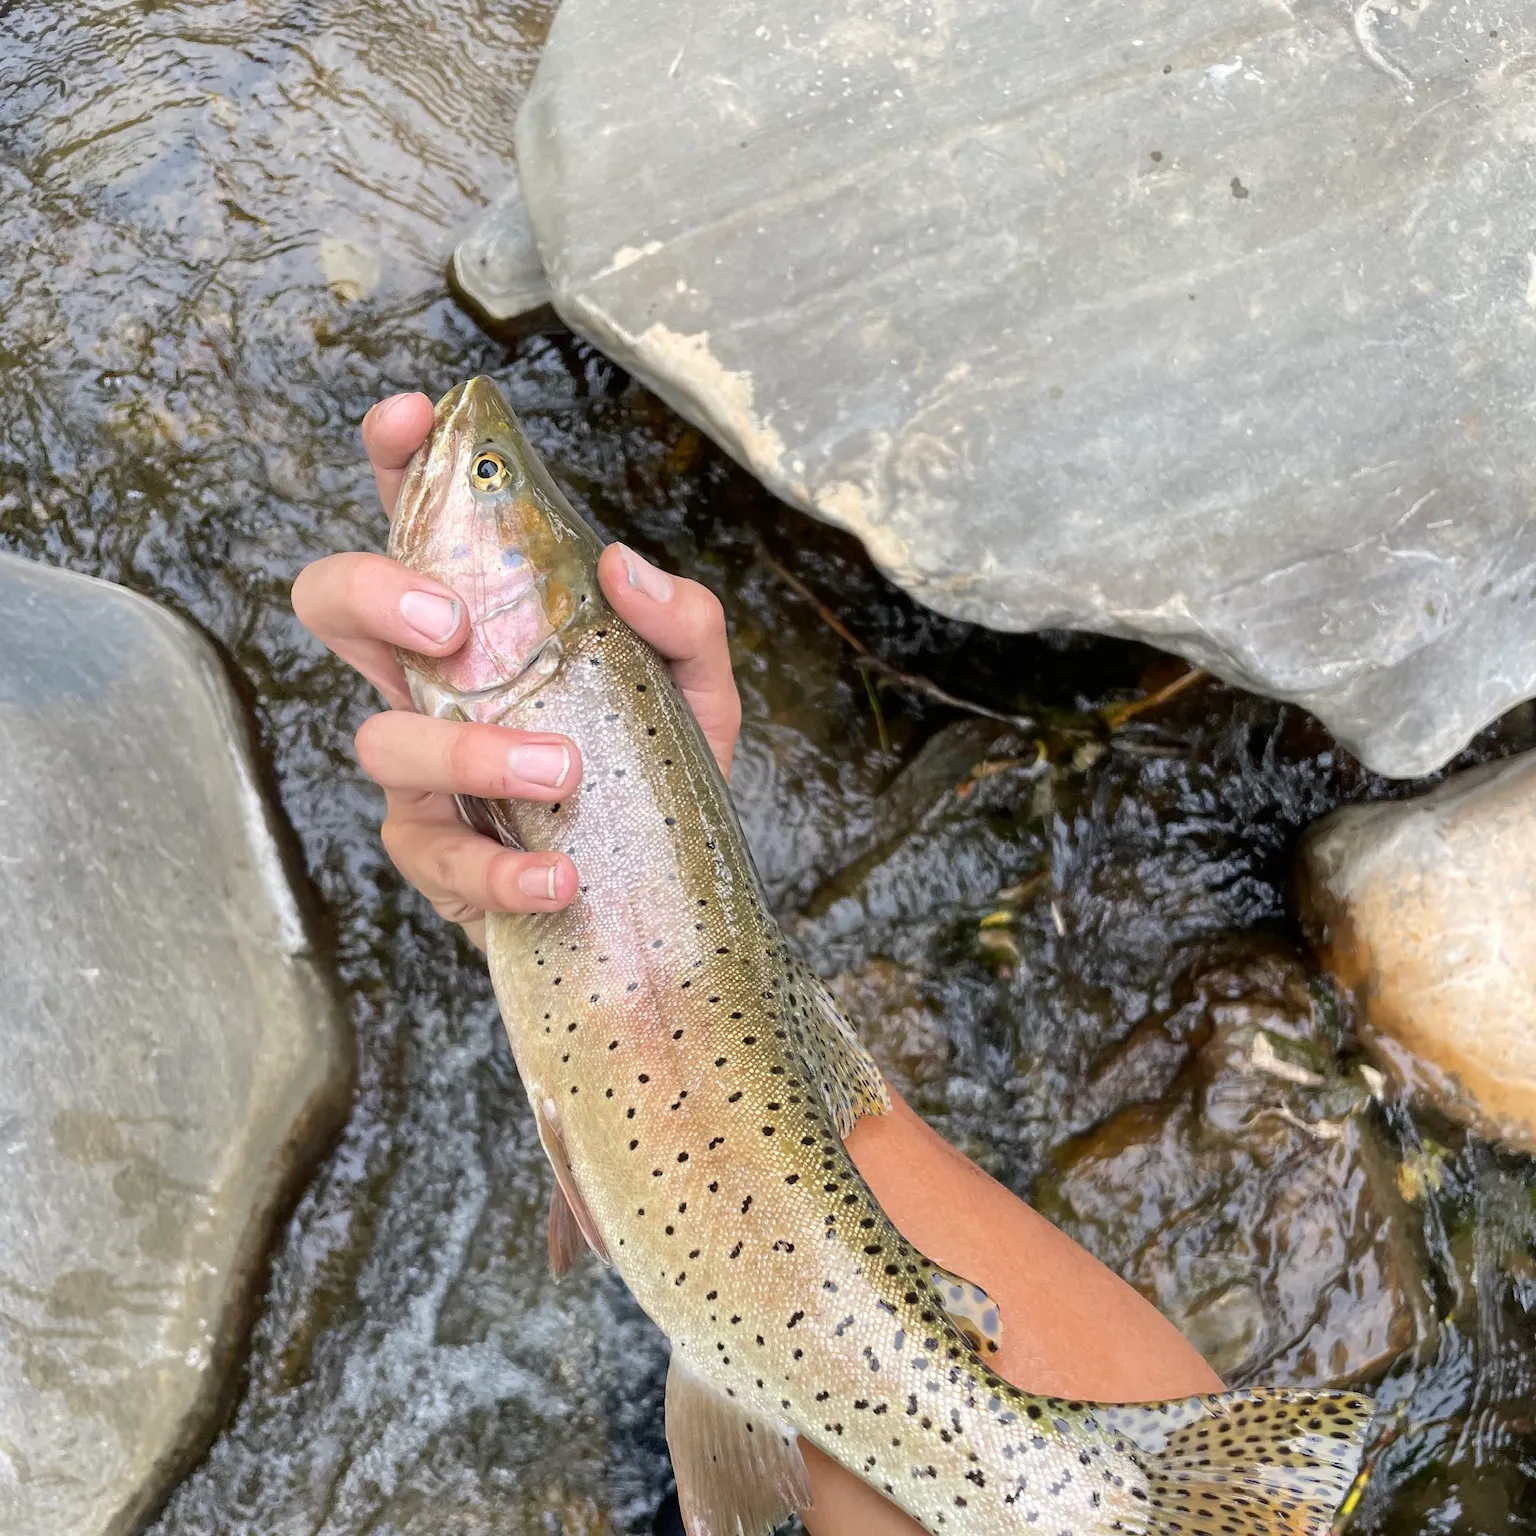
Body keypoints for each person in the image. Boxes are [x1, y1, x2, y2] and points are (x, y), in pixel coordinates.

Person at [292, 393, 1223, 1536]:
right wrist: (640, 902)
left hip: (738, 1310)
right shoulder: (1153, 1497)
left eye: (490, 479)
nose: (479, 465)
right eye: (501, 476)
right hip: (754, 1289)